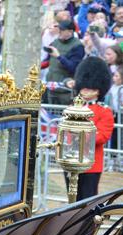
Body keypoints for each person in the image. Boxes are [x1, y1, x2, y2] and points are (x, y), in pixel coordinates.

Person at [66, 56, 115, 201]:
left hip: (91, 164)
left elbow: (102, 136)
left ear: (98, 90)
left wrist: (80, 135)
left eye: (90, 88)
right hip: (71, 160)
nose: (86, 91)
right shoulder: (73, 108)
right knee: (72, 199)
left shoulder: (104, 111)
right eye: (84, 87)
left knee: (88, 200)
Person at [44, 19, 85, 105]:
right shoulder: (55, 42)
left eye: (62, 30)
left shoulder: (78, 46)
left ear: (70, 31)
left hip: (66, 90)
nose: (59, 31)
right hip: (51, 87)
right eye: (59, 29)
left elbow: (73, 68)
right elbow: (48, 61)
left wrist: (59, 57)